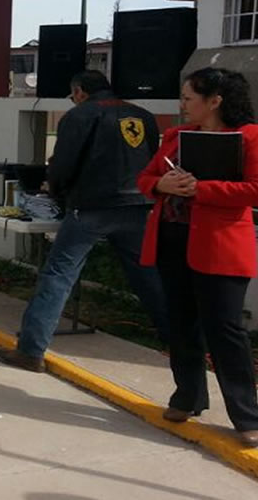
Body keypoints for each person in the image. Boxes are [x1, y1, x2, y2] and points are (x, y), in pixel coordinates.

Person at [0, 70, 170, 373]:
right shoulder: (142, 115)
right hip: (139, 206)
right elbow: (152, 160)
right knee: (149, 276)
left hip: (92, 208)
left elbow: (62, 164)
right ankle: (179, 341)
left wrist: (56, 193)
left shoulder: (79, 116)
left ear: (79, 92)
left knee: (59, 274)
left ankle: (31, 350)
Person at [137, 67, 258, 447]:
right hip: (173, 240)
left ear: (215, 101)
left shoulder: (249, 138)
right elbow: (144, 178)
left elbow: (254, 190)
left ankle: (246, 414)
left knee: (225, 329)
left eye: (189, 98)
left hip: (220, 245)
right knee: (181, 323)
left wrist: (199, 189)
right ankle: (187, 395)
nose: (182, 104)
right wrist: (161, 184)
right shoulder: (174, 137)